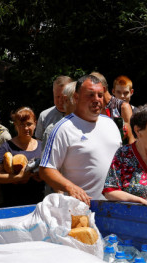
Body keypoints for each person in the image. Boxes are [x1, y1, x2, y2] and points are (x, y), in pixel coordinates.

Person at [40, 74, 122, 205]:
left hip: (117, 208)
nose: (96, 99)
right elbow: (46, 170)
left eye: (100, 95)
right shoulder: (63, 128)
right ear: (76, 97)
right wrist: (70, 187)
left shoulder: (111, 124)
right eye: (90, 95)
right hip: (82, 209)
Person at [103, 103, 147, 205]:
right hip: (133, 217)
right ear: (138, 130)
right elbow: (110, 191)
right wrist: (141, 202)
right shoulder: (124, 154)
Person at [0, 107, 45, 207]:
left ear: (35, 124)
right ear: (15, 126)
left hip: (38, 203)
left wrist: (41, 175)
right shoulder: (7, 147)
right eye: (21, 125)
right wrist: (18, 177)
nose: (26, 128)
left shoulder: (42, 146)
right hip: (13, 204)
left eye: (29, 124)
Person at [91, 72, 134, 143]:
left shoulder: (123, 107)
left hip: (121, 152)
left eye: (92, 92)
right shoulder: (93, 108)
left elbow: (131, 138)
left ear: (103, 89)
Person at [35, 75, 73, 141]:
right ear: (53, 93)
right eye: (57, 97)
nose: (60, 101)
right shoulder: (44, 116)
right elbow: (39, 143)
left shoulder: (82, 115)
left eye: (64, 97)